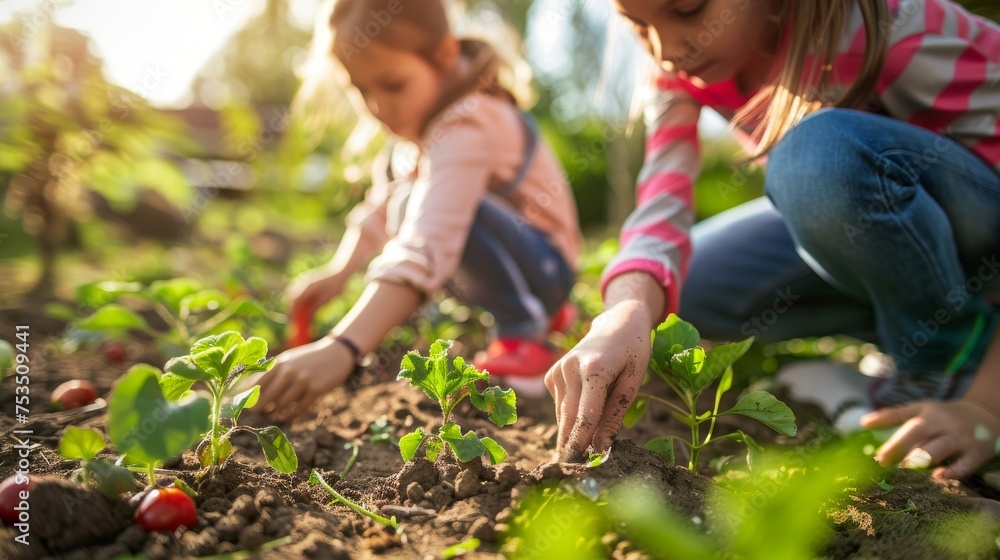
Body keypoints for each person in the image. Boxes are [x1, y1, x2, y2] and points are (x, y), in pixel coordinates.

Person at [545, 0, 1000, 480]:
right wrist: (623, 314)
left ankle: (944, 366)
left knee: (816, 157)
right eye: (641, 27)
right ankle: (918, 332)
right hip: (932, 259)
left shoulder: (904, 29)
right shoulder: (685, 71)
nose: (668, 50)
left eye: (688, 9)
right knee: (689, 287)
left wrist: (986, 407)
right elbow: (660, 212)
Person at [258, 0, 582, 421]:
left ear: (444, 55)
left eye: (392, 85)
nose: (377, 107)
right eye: (362, 90)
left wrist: (344, 347)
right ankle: (537, 312)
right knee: (405, 200)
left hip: (549, 267)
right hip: (525, 266)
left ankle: (527, 336)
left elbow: (428, 240)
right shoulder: (413, 141)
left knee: (418, 204)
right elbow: (379, 213)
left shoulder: (471, 122)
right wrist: (339, 271)